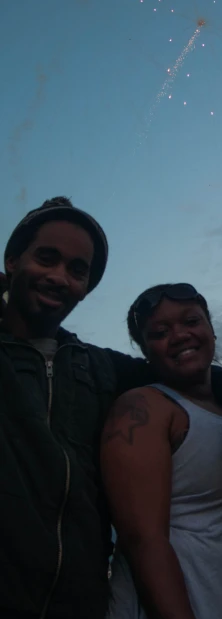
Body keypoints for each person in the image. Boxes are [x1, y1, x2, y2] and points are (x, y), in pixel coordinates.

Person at [0, 196, 150, 619]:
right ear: (12, 260)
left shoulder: (103, 368)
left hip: (80, 603)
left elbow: (187, 374)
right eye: (46, 258)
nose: (58, 277)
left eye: (77, 270)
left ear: (86, 289)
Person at [103, 283, 222, 619]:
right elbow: (142, 540)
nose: (180, 336)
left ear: (211, 329)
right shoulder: (145, 407)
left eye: (191, 321)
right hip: (186, 600)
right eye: (160, 332)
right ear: (145, 349)